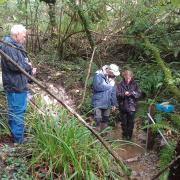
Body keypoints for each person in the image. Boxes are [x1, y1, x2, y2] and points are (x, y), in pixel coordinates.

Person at [0, 24, 36, 144]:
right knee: (18, 112)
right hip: (15, 86)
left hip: (17, 84)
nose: (25, 38)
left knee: (15, 111)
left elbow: (21, 63)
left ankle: (15, 134)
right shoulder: (9, 47)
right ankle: (19, 141)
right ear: (17, 35)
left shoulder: (14, 46)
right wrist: (28, 67)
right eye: (23, 36)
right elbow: (15, 65)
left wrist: (30, 70)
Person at [92, 64, 120, 131]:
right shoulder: (98, 75)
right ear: (109, 71)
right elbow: (97, 88)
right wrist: (109, 85)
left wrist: (114, 104)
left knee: (105, 121)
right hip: (98, 103)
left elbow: (113, 93)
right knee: (97, 120)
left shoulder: (112, 78)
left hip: (108, 104)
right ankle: (96, 138)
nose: (114, 76)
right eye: (114, 74)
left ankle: (104, 138)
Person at [117, 70, 141, 140]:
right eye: (126, 77)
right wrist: (124, 94)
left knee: (131, 123)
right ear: (124, 76)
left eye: (129, 77)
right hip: (123, 106)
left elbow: (139, 94)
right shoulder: (120, 84)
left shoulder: (135, 84)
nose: (128, 79)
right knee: (124, 122)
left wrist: (132, 93)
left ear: (131, 77)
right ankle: (124, 135)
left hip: (132, 106)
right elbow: (117, 95)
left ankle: (129, 137)